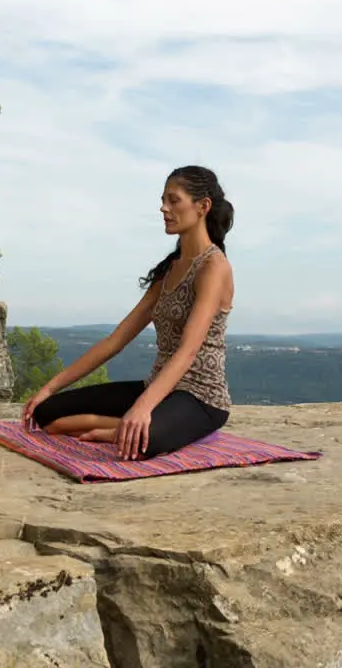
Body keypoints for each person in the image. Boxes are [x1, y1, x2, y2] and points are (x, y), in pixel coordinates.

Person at [21, 165, 235, 461]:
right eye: (163, 200)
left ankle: (132, 428)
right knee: (47, 413)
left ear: (202, 207)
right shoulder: (169, 270)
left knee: (145, 440)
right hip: (158, 387)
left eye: (174, 200)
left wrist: (142, 408)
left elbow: (188, 351)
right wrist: (49, 387)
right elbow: (116, 340)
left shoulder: (214, 267)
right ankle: (124, 426)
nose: (164, 208)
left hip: (200, 396)